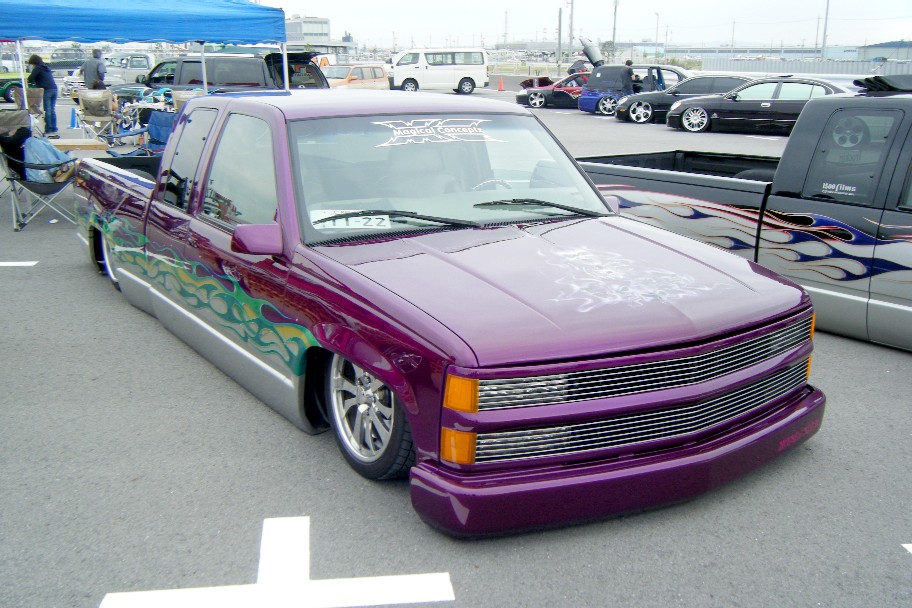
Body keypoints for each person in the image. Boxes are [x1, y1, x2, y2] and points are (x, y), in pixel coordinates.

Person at [26, 54, 59, 139]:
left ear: (33, 62)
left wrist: (33, 82)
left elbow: (30, 78)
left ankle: (48, 129)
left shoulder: (37, 68)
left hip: (46, 90)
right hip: (54, 89)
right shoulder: (46, 67)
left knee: (47, 110)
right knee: (52, 110)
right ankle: (54, 128)